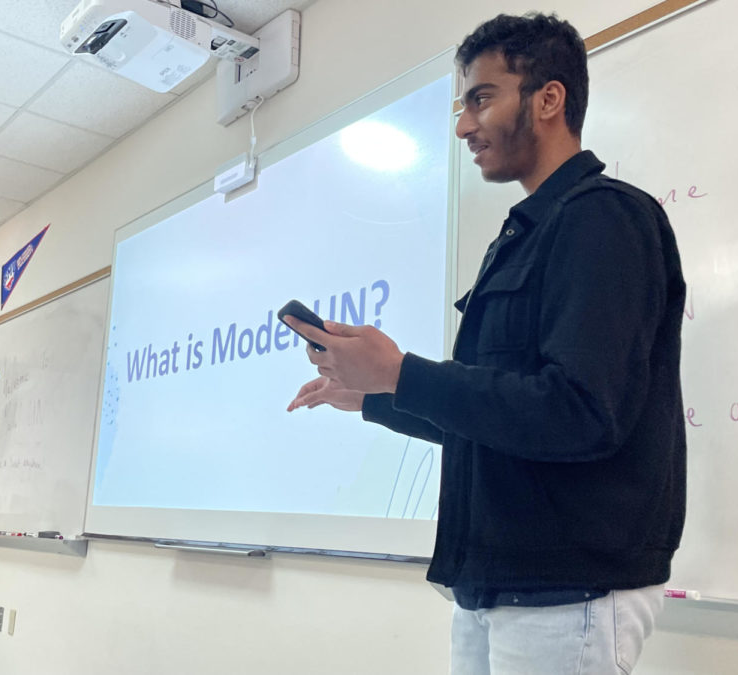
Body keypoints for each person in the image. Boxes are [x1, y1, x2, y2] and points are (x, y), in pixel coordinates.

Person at [285, 12, 686, 675]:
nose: (463, 125)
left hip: (566, 590)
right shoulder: (522, 236)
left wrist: (404, 372)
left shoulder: (603, 219)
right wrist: (377, 395)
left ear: (549, 99)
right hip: (498, 588)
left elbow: (581, 411)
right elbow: (501, 422)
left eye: (481, 97)